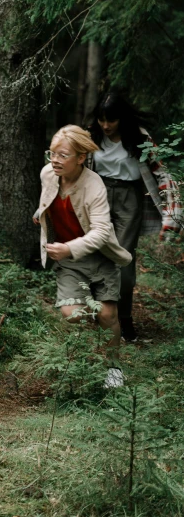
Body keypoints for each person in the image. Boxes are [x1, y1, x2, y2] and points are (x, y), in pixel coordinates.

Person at [34, 125, 132, 388]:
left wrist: (69, 248)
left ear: (80, 158)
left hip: (100, 257)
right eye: (52, 153)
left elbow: (101, 232)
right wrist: (40, 214)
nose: (55, 160)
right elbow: (48, 200)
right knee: (72, 313)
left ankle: (113, 368)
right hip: (70, 262)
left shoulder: (93, 184)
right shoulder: (48, 173)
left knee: (108, 315)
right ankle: (86, 363)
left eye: (62, 155)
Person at [88, 92, 181, 342]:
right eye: (101, 120)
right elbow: (68, 166)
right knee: (97, 254)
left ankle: (125, 320)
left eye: (111, 120)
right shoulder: (91, 135)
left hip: (130, 200)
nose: (106, 126)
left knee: (123, 261)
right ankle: (101, 316)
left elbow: (162, 173)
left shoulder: (138, 137)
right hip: (97, 196)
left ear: (122, 118)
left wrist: (173, 213)